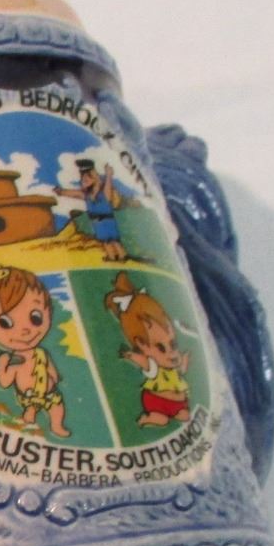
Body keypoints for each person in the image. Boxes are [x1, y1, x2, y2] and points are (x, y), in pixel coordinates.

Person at [0, 262, 70, 438]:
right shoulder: (14, 361)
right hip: (29, 397)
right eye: (5, 323)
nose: (26, 330)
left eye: (35, 317)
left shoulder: (42, 353)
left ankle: (57, 426)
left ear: (48, 311)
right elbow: (5, 382)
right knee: (30, 413)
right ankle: (28, 423)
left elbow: (49, 367)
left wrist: (54, 376)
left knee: (57, 409)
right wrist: (2, 364)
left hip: (50, 393)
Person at [105, 272, 192, 427]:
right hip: (157, 401)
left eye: (173, 345)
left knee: (185, 416)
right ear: (142, 345)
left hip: (179, 403)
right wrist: (131, 356)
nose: (172, 353)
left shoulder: (174, 366)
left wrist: (184, 362)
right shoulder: (154, 367)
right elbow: (144, 363)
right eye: (161, 348)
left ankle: (170, 413)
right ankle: (149, 417)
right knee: (161, 419)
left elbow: (181, 372)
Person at [54, 158, 130, 262]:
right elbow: (73, 194)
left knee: (114, 240)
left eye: (87, 178)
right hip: (97, 223)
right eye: (83, 179)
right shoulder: (86, 195)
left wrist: (108, 175)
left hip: (107, 220)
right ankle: (112, 257)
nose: (84, 180)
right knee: (105, 241)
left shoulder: (103, 193)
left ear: (94, 179)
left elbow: (108, 185)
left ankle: (122, 256)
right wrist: (61, 192)